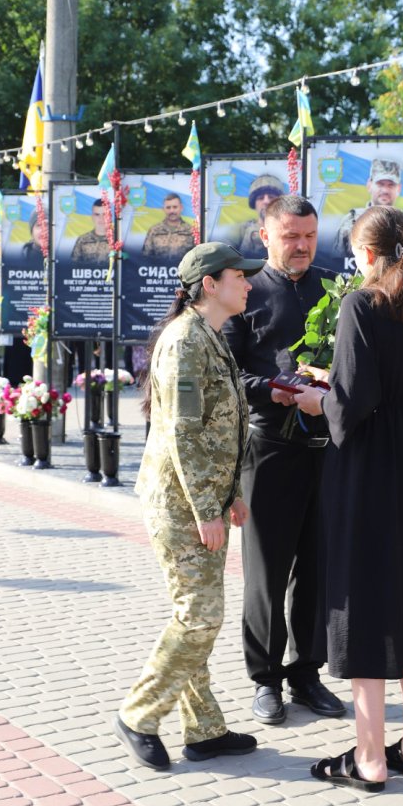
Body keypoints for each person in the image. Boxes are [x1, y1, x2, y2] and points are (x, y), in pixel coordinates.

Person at [294, 205, 403, 792]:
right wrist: (339, 385)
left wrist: (319, 399)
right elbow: (389, 385)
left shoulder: (362, 304)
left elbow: (355, 401)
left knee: (364, 604)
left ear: (366, 253)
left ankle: (369, 759)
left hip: (367, 468)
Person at [114, 242, 264, 770]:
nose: (248, 284)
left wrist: (231, 495)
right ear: (210, 285)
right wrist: (206, 510)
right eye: (239, 276)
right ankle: (138, 714)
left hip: (203, 498)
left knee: (195, 613)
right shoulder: (184, 341)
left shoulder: (210, 335)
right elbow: (182, 432)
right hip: (180, 504)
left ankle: (204, 730)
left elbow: (221, 427)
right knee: (200, 616)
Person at [224, 194, 346, 725]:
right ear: (265, 236)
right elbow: (228, 371)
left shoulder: (336, 289)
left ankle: (306, 674)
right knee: (267, 572)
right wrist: (269, 389)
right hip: (269, 447)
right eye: (291, 236)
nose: (302, 246)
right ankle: (265, 679)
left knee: (318, 568)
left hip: (325, 448)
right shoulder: (245, 292)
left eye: (310, 236)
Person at [334, 159, 403, 257]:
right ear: (369, 185)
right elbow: (337, 259)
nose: (385, 190)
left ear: (398, 188)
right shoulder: (351, 220)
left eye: (391, 185)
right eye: (380, 184)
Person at [238, 173, 285, 257]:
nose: (266, 201)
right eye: (260, 198)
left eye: (271, 197)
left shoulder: (291, 229)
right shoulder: (241, 231)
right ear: (254, 204)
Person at [142, 193, 195, 261]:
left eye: (175, 207)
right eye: (168, 207)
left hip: (183, 267)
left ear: (181, 208)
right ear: (163, 209)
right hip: (159, 267)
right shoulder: (154, 230)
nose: (172, 211)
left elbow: (197, 256)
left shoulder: (191, 231)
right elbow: (145, 257)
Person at [71, 199, 111, 264]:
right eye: (97, 214)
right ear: (92, 217)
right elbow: (73, 264)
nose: (101, 218)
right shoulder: (82, 240)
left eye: (104, 214)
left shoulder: (117, 240)